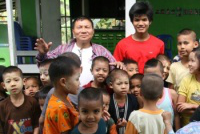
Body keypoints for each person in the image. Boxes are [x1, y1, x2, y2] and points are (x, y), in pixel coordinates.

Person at [35, 16, 124, 87]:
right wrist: (43, 54)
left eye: (87, 27)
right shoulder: (62, 49)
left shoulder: (101, 50)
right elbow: (43, 66)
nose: (83, 31)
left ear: (93, 31)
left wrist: (119, 66)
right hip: (67, 95)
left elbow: (112, 69)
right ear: (73, 31)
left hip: (93, 96)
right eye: (79, 27)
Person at [113, 1, 164, 73]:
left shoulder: (159, 44)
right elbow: (117, 70)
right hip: (130, 84)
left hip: (152, 83)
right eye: (137, 20)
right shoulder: (122, 45)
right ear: (132, 21)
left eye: (144, 20)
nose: (140, 23)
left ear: (150, 21)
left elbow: (161, 69)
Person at [39, 52, 82, 133]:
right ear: (63, 82)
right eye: (77, 79)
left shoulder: (62, 98)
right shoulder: (59, 108)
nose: (79, 83)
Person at [0, 66, 41, 134]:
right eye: (8, 81)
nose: (13, 84)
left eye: (16, 80)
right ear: (4, 85)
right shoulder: (2, 106)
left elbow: (37, 125)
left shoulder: (33, 102)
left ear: (23, 81)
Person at [144, 58, 180, 130]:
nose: (151, 79)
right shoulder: (142, 95)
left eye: (155, 76)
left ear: (163, 76)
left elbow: (176, 116)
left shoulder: (171, 94)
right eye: (148, 76)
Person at [108, 69, 139, 134]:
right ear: (111, 85)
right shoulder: (108, 101)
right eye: (119, 84)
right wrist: (116, 126)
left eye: (126, 83)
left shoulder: (133, 100)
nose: (123, 87)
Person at [177, 48, 200, 126]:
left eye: (192, 61)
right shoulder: (186, 79)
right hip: (187, 128)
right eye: (189, 60)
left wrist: (192, 106)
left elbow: (185, 108)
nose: (189, 64)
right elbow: (180, 107)